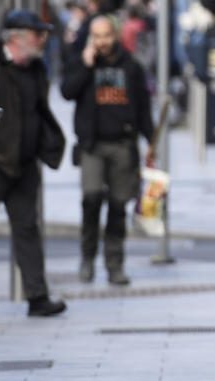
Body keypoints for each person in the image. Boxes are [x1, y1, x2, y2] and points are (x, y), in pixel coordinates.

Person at [0, 10, 67, 317]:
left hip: (24, 164)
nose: (43, 39)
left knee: (27, 229)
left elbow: (39, 110)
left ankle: (37, 297)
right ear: (16, 38)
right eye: (38, 34)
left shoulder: (37, 68)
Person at [61, 15, 154, 286]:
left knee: (118, 206)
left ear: (115, 36)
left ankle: (115, 264)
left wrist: (151, 142)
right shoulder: (82, 62)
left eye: (106, 36)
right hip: (92, 145)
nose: (101, 42)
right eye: (96, 36)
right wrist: (86, 66)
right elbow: (67, 92)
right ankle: (87, 258)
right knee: (91, 199)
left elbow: (143, 109)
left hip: (122, 144)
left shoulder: (131, 67)